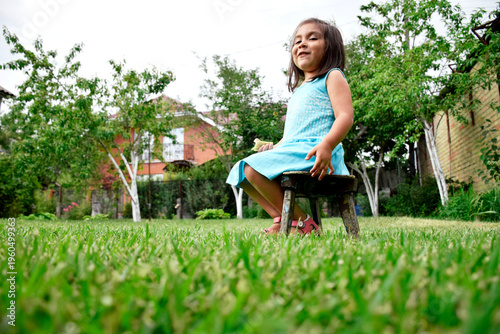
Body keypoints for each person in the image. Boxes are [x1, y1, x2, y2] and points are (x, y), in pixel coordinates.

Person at [226, 18, 354, 235]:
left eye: (312, 38)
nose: (301, 44)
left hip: (318, 154)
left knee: (251, 167)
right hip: (295, 151)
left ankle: (303, 223)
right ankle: (284, 218)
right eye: (297, 41)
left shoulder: (332, 76)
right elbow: (293, 134)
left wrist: (328, 144)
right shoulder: (299, 90)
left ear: (329, 47)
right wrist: (276, 147)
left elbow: (345, 116)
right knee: (242, 172)